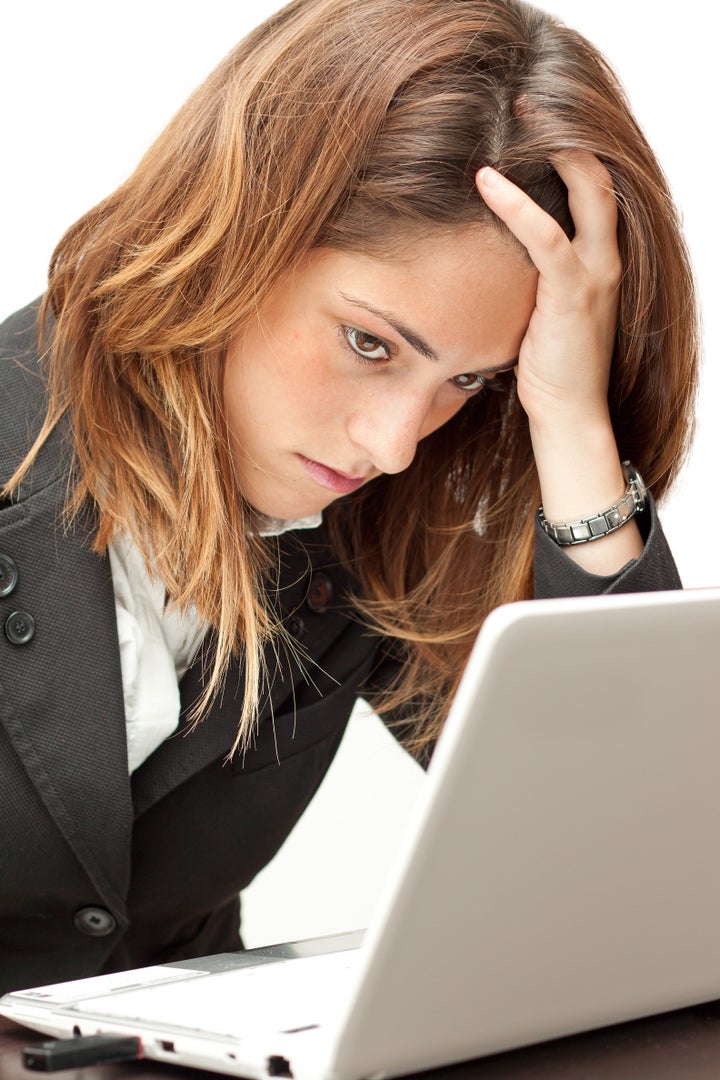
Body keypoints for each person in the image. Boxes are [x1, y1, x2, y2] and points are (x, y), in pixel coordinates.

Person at [0, 0, 698, 994]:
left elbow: (619, 853)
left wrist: (572, 423)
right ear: (232, 237)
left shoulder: (368, 530)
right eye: (370, 343)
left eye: (470, 381)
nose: (397, 445)